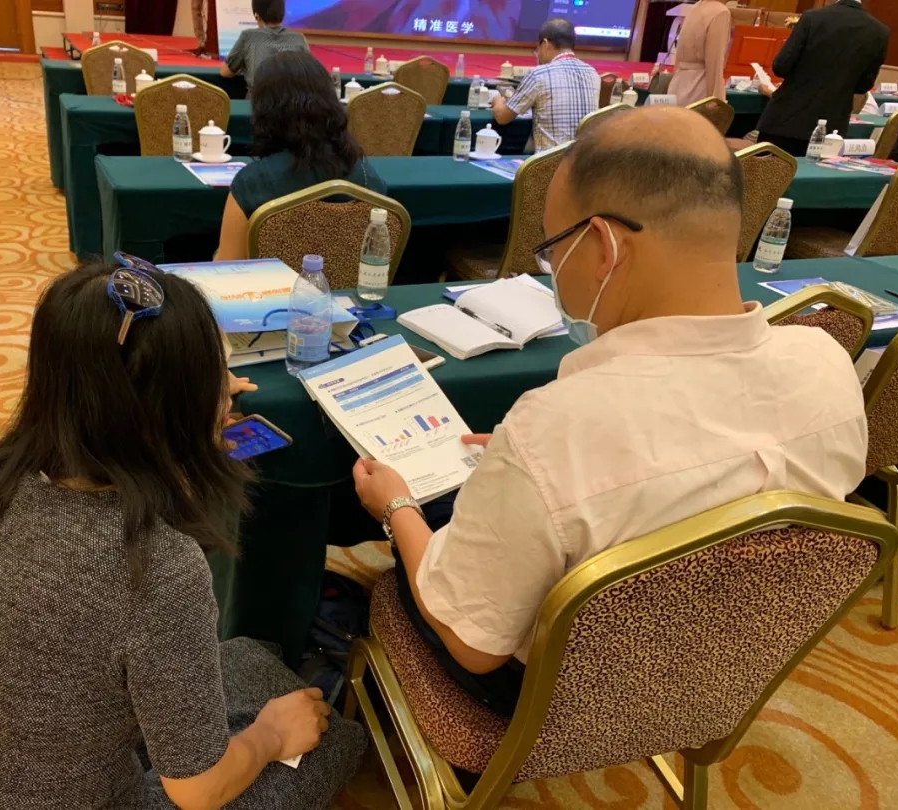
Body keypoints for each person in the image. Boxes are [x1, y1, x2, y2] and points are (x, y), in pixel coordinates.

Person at [351, 106, 869, 718]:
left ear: (603, 245)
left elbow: (473, 645)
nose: (551, 271)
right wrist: (525, 476)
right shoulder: (827, 362)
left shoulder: (557, 427)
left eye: (552, 249)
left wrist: (396, 508)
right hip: (723, 675)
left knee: (417, 524)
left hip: (553, 698)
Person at [0, 262, 367, 810]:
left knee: (240, 665)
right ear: (169, 409)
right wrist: (269, 738)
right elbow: (198, 791)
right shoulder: (159, 566)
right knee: (327, 736)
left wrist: (184, 408)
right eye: (212, 374)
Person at [215, 51, 386, 261]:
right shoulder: (368, 178)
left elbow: (226, 268)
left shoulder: (251, 183)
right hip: (349, 283)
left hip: (271, 284)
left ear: (264, 110)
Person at [755, 0, 888, 156]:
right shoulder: (880, 31)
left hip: (787, 118)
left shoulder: (812, 18)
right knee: (813, 171)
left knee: (769, 170)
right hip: (832, 126)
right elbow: (863, 86)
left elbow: (781, 66)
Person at [490, 18, 600, 153]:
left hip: (550, 162)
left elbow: (502, 117)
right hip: (582, 160)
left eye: (537, 48)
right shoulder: (593, 73)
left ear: (545, 44)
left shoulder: (539, 74)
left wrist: (497, 100)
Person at [220, 0, 309, 90]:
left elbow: (225, 72)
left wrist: (244, 65)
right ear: (282, 15)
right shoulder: (299, 39)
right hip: (292, 98)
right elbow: (309, 75)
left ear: (257, 16)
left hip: (257, 98)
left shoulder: (248, 37)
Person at [669, 0, 730, 107]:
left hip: (678, 83)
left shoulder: (697, 6)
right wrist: (716, 101)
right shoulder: (721, 12)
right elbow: (714, 62)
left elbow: (679, 54)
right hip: (698, 86)